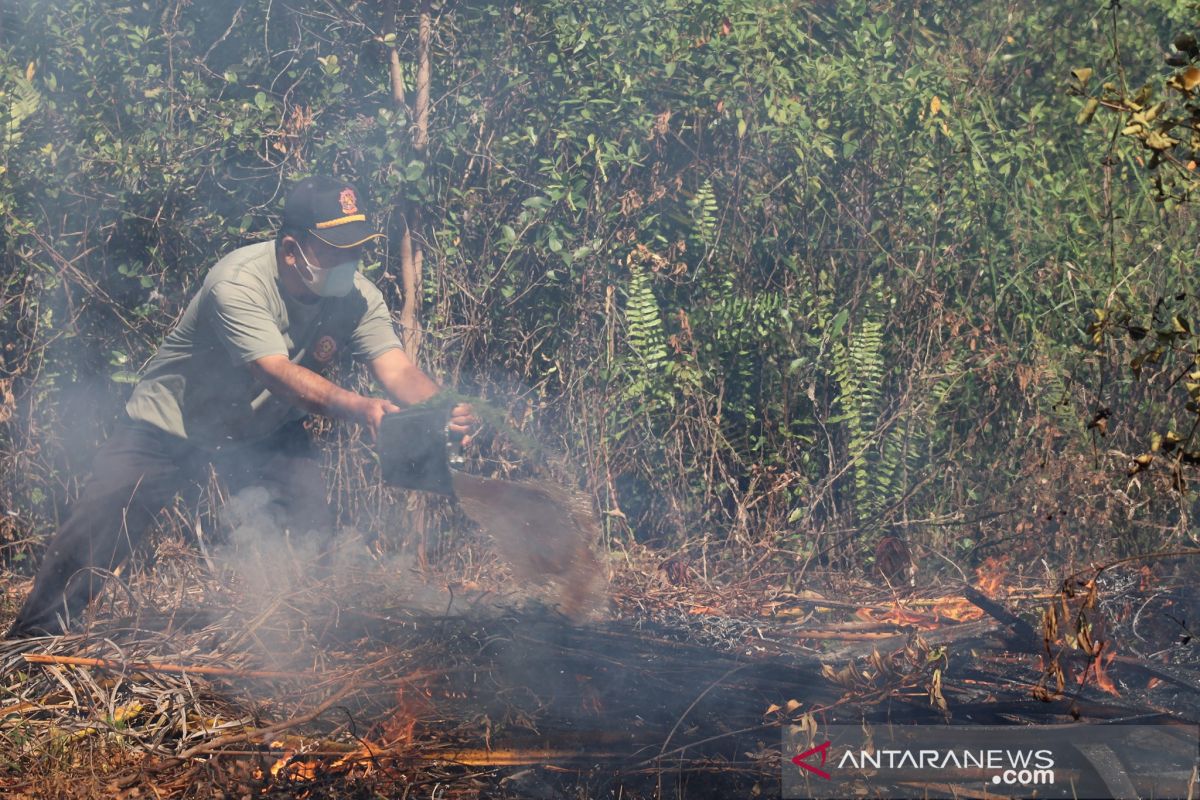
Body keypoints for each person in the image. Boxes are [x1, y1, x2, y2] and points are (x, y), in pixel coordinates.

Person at [6, 176, 473, 637]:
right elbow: (276, 372)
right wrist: (361, 408)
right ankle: (35, 636)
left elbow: (396, 369)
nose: (352, 259)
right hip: (172, 423)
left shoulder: (356, 298)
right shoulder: (236, 283)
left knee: (309, 528)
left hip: (265, 430)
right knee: (103, 517)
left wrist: (440, 409)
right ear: (292, 249)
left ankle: (305, 642)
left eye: (358, 246)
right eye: (338, 247)